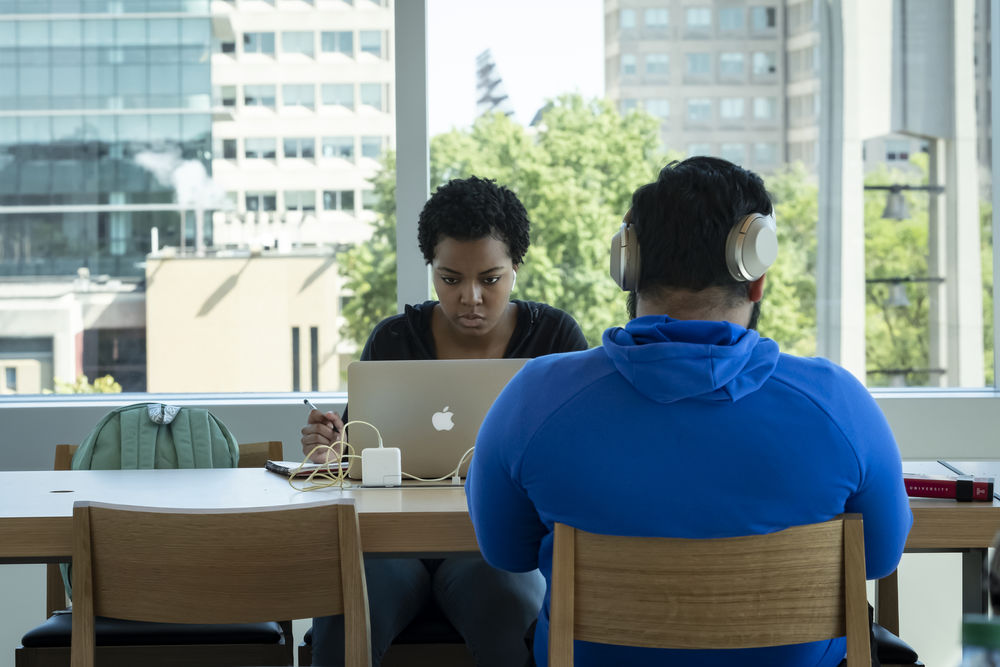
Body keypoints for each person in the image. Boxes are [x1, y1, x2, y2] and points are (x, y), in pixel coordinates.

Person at [466, 156, 913, 667]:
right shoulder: (839, 404)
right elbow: (877, 558)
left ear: (627, 270)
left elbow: (505, 553)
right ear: (757, 280)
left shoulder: (534, 399)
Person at [301, 175, 588, 667]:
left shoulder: (554, 339)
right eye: (450, 279)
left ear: (516, 266)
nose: (470, 298)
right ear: (431, 268)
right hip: (391, 551)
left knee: (511, 606)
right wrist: (328, 453)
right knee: (346, 613)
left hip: (493, 546)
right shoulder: (393, 340)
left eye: (490, 279)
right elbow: (353, 463)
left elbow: (582, 453)